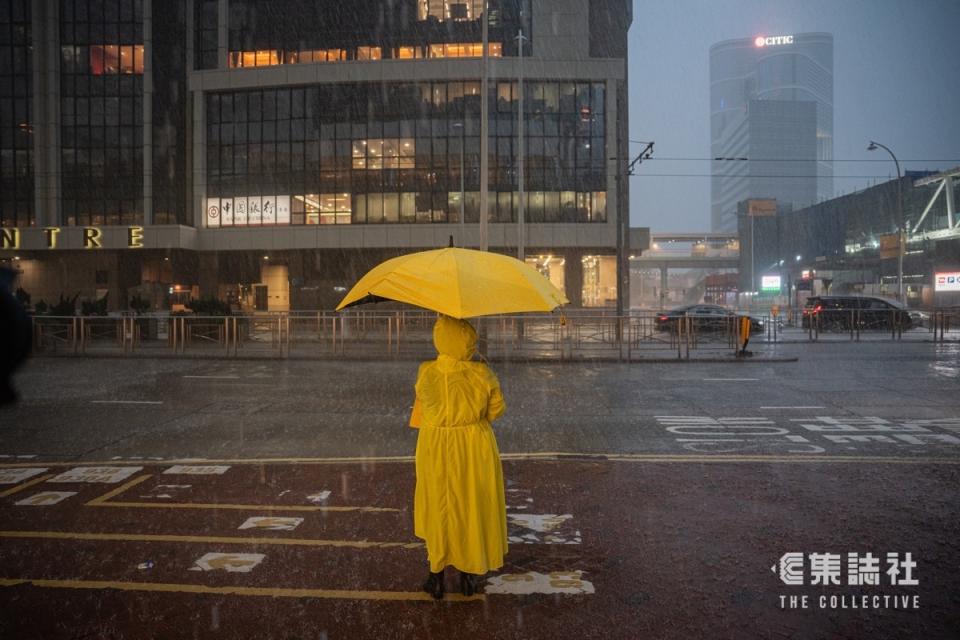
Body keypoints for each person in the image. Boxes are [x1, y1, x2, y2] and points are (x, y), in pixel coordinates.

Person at [409, 315, 508, 599]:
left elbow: (422, 408)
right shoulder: (482, 373)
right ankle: (468, 575)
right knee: (470, 504)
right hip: (474, 444)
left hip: (435, 444)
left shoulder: (426, 372)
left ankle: (436, 575)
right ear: (469, 339)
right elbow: (495, 411)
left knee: (439, 503)